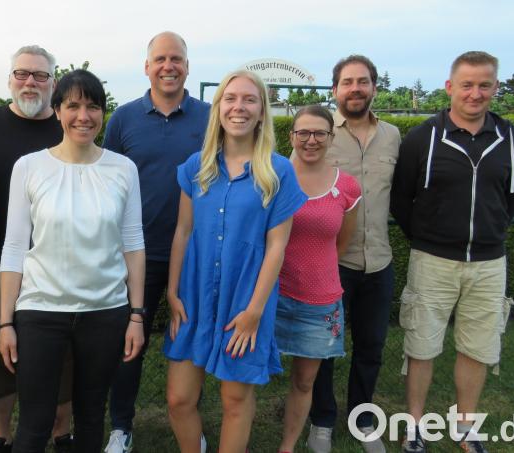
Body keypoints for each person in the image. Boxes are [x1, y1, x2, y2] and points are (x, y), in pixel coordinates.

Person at [0, 69, 146, 453]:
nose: (84, 115)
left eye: (93, 106)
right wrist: (6, 322)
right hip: (40, 310)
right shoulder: (29, 167)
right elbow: (14, 247)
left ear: (102, 112)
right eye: (74, 105)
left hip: (106, 311)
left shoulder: (123, 169)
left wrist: (135, 315)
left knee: (93, 413)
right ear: (58, 110)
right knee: (35, 420)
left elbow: (133, 244)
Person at [391, 51, 514, 453]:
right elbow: (401, 201)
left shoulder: (511, 137)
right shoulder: (422, 138)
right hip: (432, 260)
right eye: (467, 84)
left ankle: (465, 426)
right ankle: (415, 425)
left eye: (485, 85)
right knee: (421, 344)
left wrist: (491, 236)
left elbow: (511, 199)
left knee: (478, 347)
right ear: (450, 87)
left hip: (488, 263)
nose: (475, 93)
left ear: (495, 88)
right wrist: (429, 238)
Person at [164, 70, 306, 453]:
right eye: (230, 99)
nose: (238, 107)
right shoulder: (197, 167)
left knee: (235, 400)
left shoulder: (278, 171)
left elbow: (277, 247)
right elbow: (183, 231)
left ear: (262, 111)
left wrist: (254, 312)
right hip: (193, 296)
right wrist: (172, 292)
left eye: (249, 99)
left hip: (245, 300)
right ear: (218, 108)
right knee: (179, 399)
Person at [102, 31, 210, 453]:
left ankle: (190, 420)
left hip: (195, 253)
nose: (169, 66)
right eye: (160, 58)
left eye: (177, 59)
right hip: (135, 254)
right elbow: (106, 179)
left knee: (190, 344)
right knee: (129, 344)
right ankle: (121, 427)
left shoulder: (210, 116)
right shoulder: (123, 119)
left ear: (187, 66)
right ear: (146, 66)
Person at [0, 45, 73, 453]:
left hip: (59, 271)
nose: (30, 82)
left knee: (62, 362)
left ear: (54, 83)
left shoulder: (68, 127)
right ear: (9, 79)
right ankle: (0, 438)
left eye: (40, 76)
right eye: (22, 74)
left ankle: (62, 435)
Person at [307, 55, 400, 453]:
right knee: (324, 348)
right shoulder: (320, 134)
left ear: (374, 87)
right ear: (335, 90)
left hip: (378, 262)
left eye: (363, 81)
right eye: (347, 82)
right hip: (331, 264)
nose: (355, 88)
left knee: (371, 346)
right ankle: (321, 421)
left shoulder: (394, 136)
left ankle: (363, 419)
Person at [275, 105, 361, 453]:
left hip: (319, 301)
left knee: (304, 381)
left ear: (331, 136)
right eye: (303, 133)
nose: (311, 141)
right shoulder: (272, 177)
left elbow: (340, 244)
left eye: (319, 133)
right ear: (291, 136)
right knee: (246, 378)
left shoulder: (348, 187)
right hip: (270, 296)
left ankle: (287, 446)